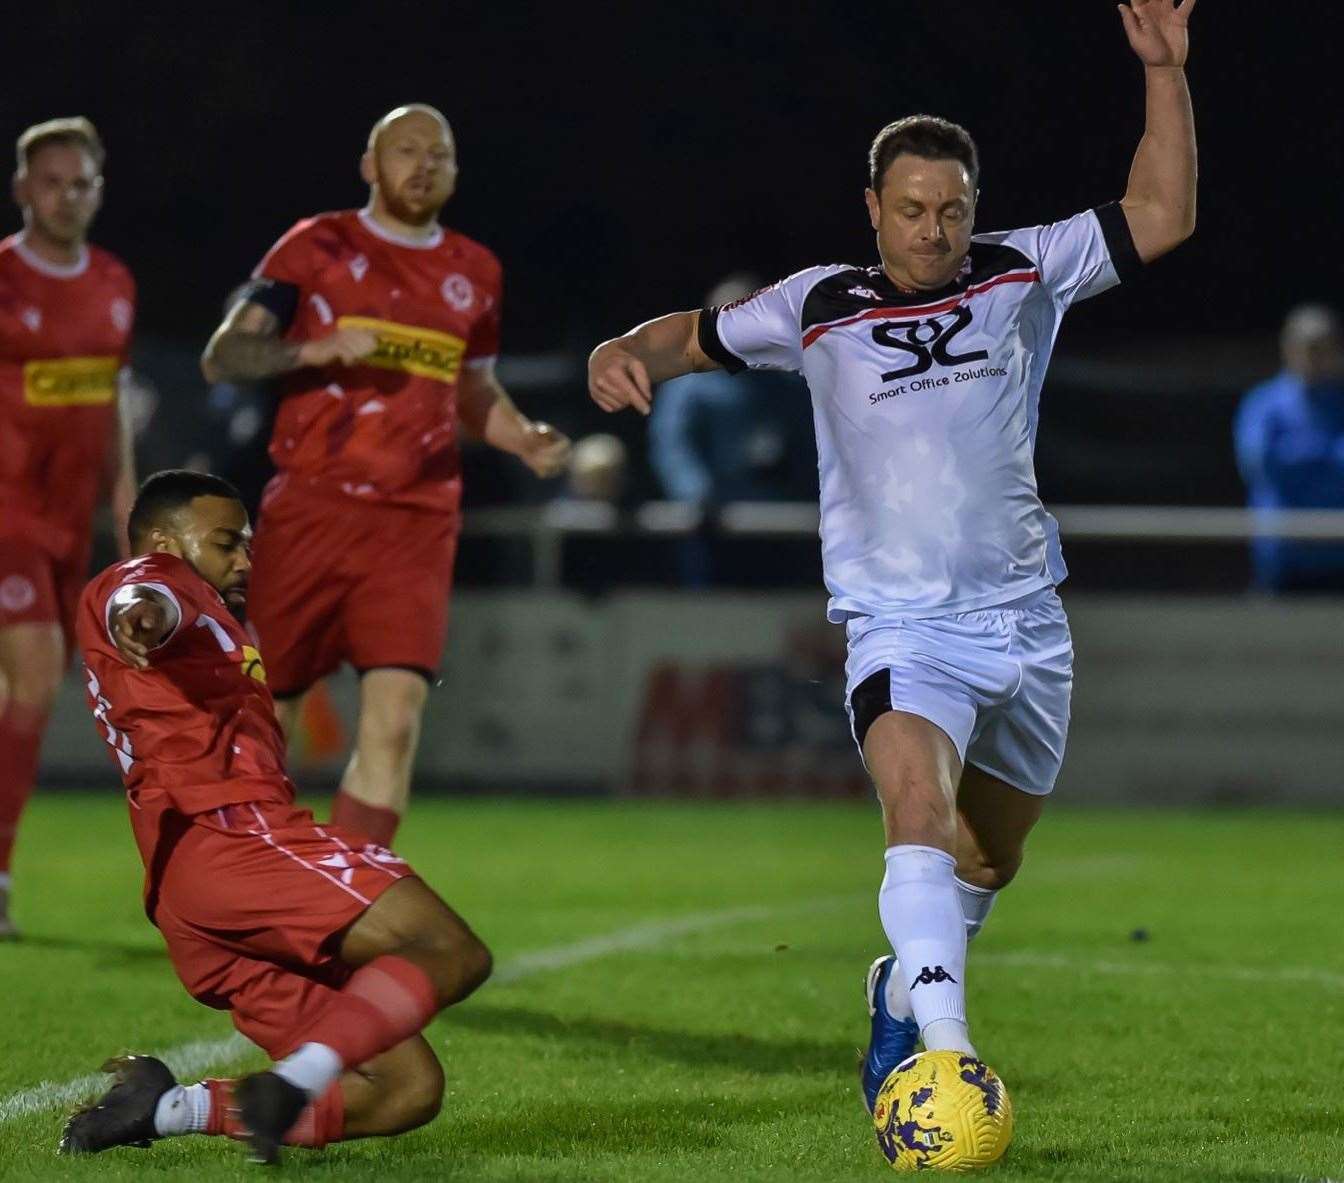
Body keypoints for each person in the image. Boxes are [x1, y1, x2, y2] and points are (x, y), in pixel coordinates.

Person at [588, 0, 1198, 1122]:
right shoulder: (815, 305)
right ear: (873, 208)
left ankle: (898, 986)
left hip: (1027, 622)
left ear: (976, 210)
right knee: (913, 805)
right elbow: (692, 335)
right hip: (902, 628)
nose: (933, 230)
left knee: (986, 859)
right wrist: (619, 348)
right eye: (912, 209)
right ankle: (946, 1057)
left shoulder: (1026, 272)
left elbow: (1161, 213)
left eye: (952, 211)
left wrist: (1164, 72)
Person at [61, 470, 491, 1164]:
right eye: (227, 542)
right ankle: (294, 1081)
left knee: (405, 1088)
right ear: (168, 540)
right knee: (451, 949)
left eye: (249, 546)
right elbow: (142, 595)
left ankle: (164, 1107)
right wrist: (142, 609)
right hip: (235, 840)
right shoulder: (153, 579)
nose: (244, 561)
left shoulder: (218, 625)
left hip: (191, 889)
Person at [201, 104, 571, 848]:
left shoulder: (475, 269)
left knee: (396, 716)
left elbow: (472, 390)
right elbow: (223, 357)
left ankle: (350, 895)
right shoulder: (316, 246)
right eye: (404, 149)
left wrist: (520, 436)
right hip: (310, 505)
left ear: (456, 172)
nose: (423, 163)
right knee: (267, 714)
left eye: (439, 152)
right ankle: (246, 875)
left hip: (416, 518)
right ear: (370, 165)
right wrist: (313, 351)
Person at [0, 116, 137, 939]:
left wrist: (125, 505)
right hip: (6, 513)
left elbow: (111, 403)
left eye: (80, 182)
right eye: (51, 182)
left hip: (67, 523)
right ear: (23, 190)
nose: (66, 196)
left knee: (31, 693)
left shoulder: (115, 281)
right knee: (39, 672)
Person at [1234, 304, 1344, 591]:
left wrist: (1296, 455)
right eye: (1307, 347)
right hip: (1282, 562)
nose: (1313, 357)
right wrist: (1326, 454)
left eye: (1323, 347)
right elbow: (1262, 465)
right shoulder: (1263, 404)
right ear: (1288, 348)